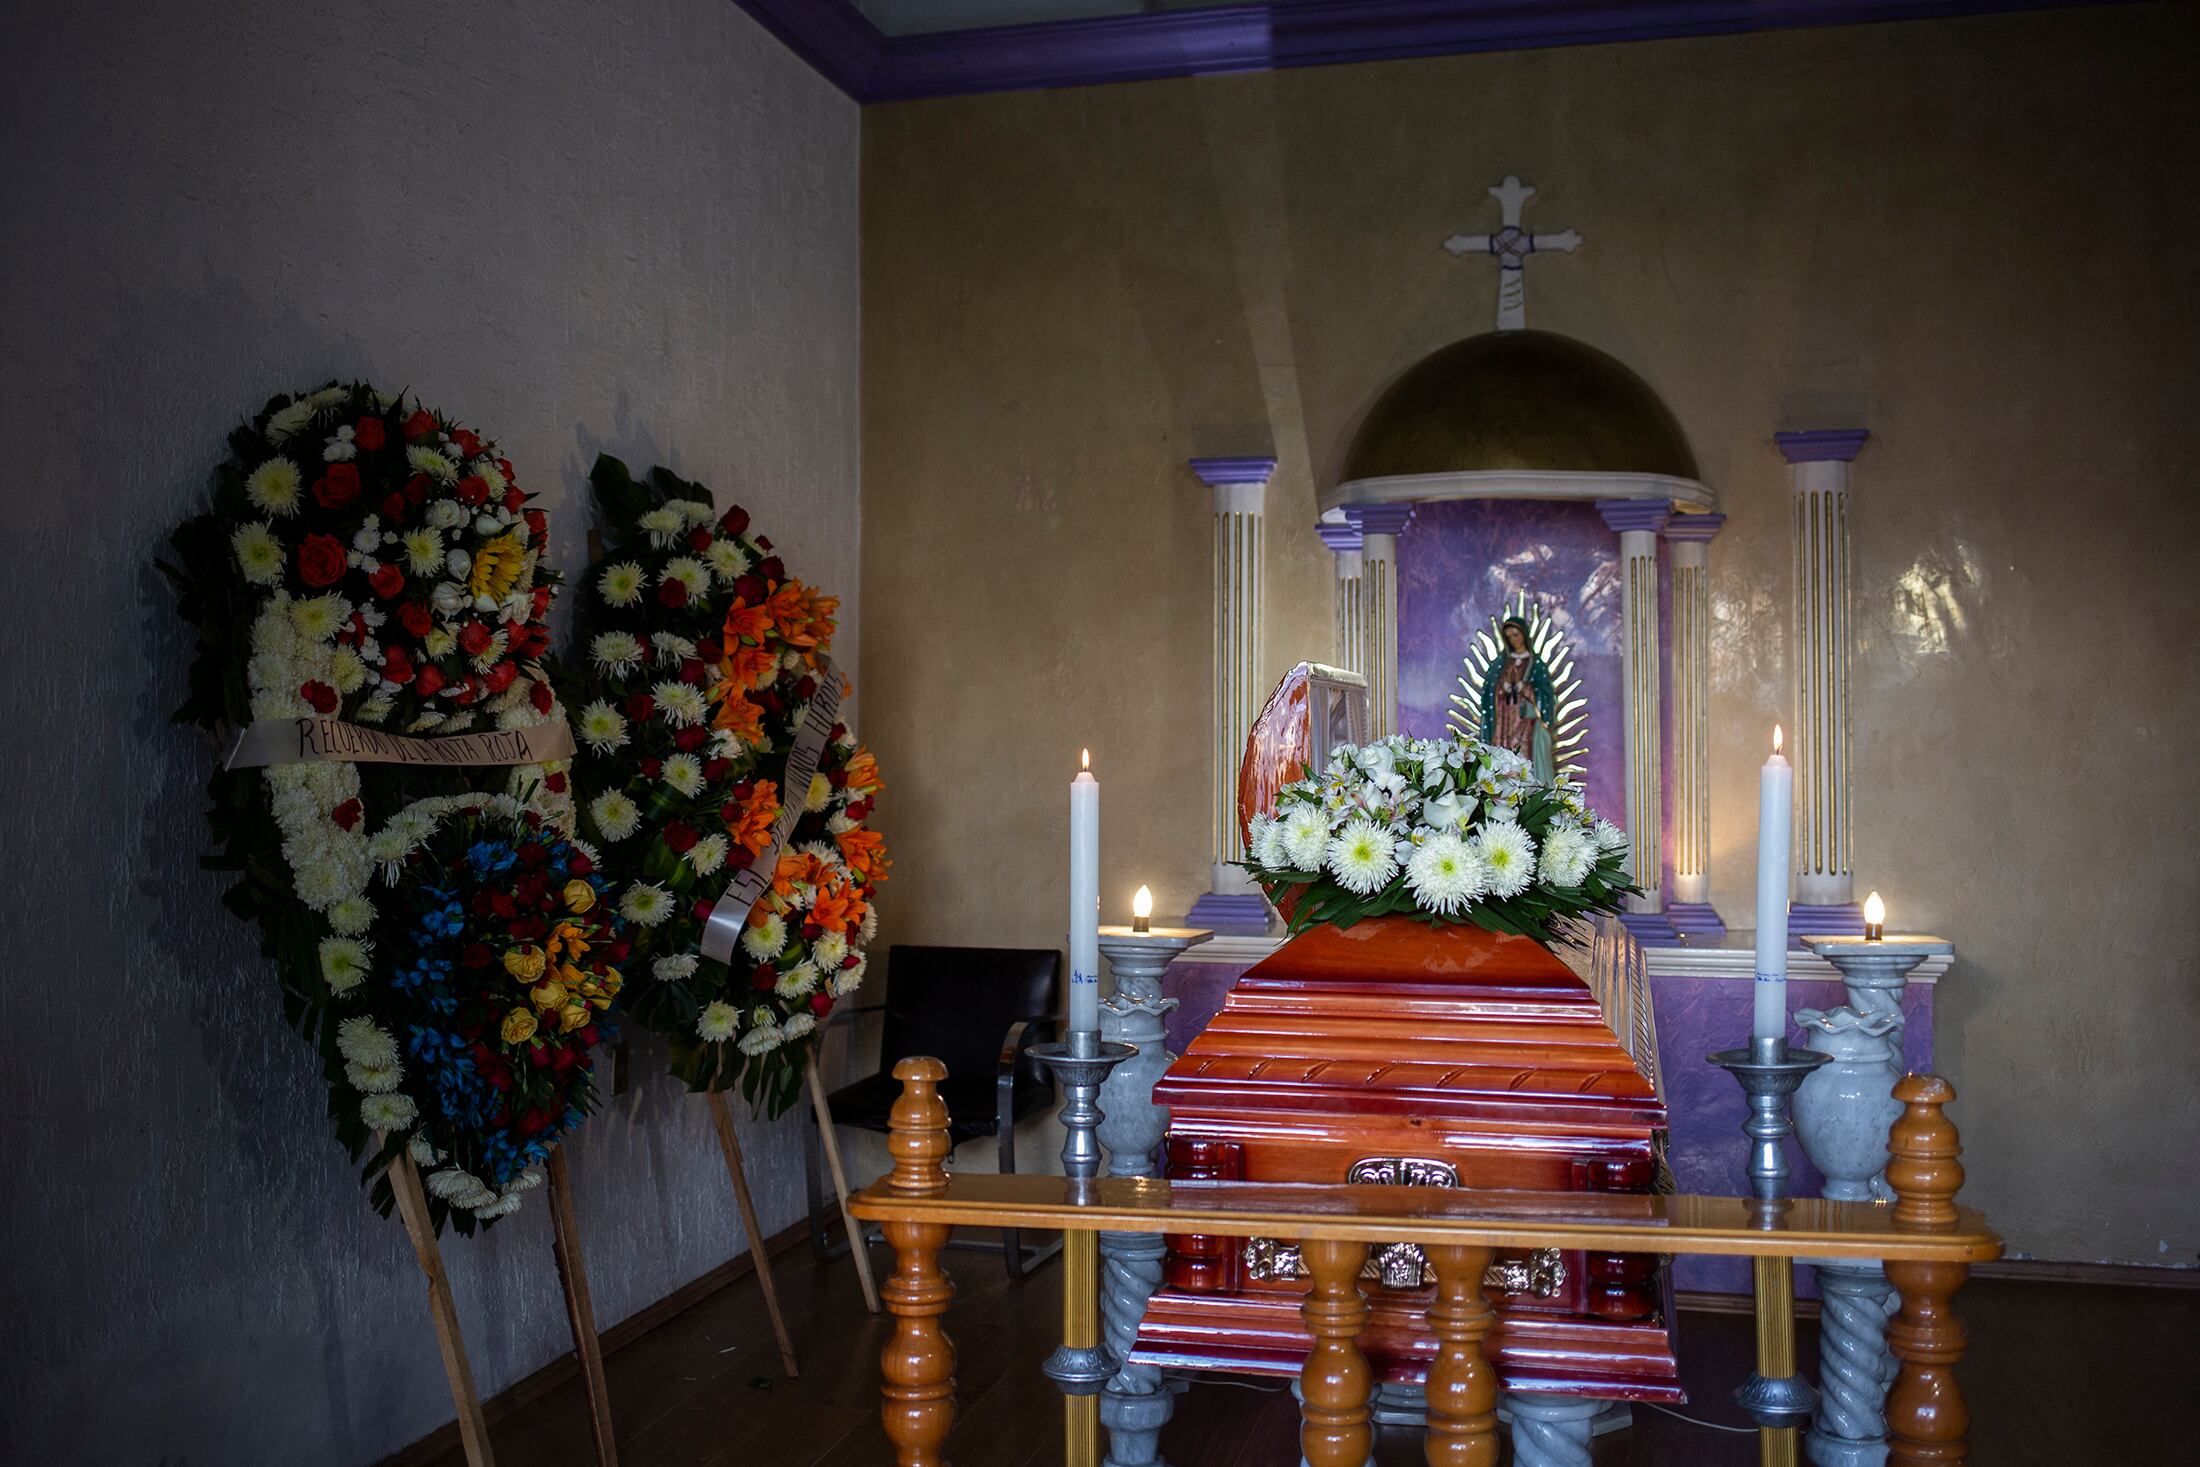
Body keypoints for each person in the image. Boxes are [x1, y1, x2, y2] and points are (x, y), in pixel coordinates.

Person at [1478, 614, 1556, 783]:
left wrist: (1526, 689)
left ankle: (1527, 788)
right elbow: (1489, 692)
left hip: (1525, 722)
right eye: (1509, 637)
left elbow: (1545, 694)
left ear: (1524, 634)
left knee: (1524, 758)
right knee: (1503, 755)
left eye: (1516, 634)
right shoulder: (1501, 663)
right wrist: (1501, 688)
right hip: (1504, 721)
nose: (1513, 640)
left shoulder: (1536, 664)